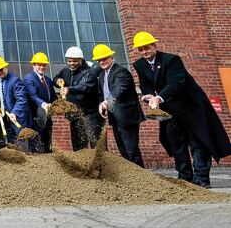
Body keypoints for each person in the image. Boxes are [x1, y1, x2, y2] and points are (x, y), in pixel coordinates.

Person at [132, 31, 231, 187]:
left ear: (154, 45)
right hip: (170, 109)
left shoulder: (172, 60)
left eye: (147, 48)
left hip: (191, 106)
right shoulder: (139, 65)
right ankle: (185, 177)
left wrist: (158, 98)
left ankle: (201, 180)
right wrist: (149, 96)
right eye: (141, 49)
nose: (144, 52)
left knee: (197, 142)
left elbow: (175, 84)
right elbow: (146, 85)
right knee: (175, 141)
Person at [93, 44, 145, 167]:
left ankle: (141, 176)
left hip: (126, 117)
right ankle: (131, 176)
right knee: (122, 148)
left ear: (112, 57)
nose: (102, 61)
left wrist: (107, 102)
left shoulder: (121, 72)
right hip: (114, 116)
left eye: (104, 58)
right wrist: (102, 103)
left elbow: (118, 89)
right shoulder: (102, 74)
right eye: (99, 60)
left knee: (131, 149)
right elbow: (103, 92)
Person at [53, 46, 104, 150]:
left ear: (81, 60)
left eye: (75, 61)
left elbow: (83, 87)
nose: (72, 63)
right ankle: (82, 164)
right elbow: (56, 78)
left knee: (96, 143)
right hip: (75, 115)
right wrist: (58, 80)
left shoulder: (89, 73)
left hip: (91, 114)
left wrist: (69, 89)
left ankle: (99, 164)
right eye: (70, 61)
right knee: (78, 144)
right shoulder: (66, 71)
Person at [0, 57, 32, 146]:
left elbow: (22, 99)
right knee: (11, 144)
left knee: (22, 144)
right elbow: (1, 98)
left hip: (19, 119)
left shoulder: (15, 80)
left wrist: (14, 112)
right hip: (8, 119)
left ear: (6, 67)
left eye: (1, 70)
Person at [22, 53, 55, 152]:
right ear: (34, 65)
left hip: (47, 117)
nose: (42, 67)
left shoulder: (48, 80)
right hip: (35, 117)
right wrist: (44, 104)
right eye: (39, 65)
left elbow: (52, 97)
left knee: (47, 140)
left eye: (44, 65)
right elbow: (33, 96)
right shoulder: (28, 79)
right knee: (37, 141)